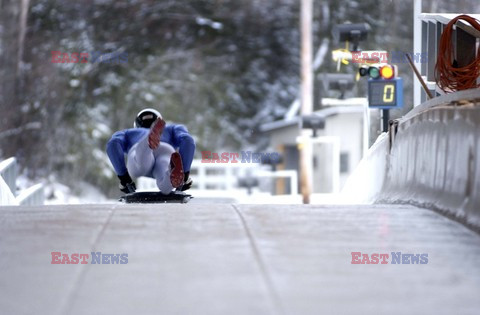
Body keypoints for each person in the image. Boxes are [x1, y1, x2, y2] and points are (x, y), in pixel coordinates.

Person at [106, 108, 195, 194]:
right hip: (166, 150)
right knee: (165, 185)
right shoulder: (171, 129)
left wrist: (123, 177)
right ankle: (171, 178)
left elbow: (113, 144)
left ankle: (147, 142)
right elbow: (188, 140)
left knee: (140, 166)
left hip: (139, 149)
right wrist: (184, 173)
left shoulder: (128, 132)